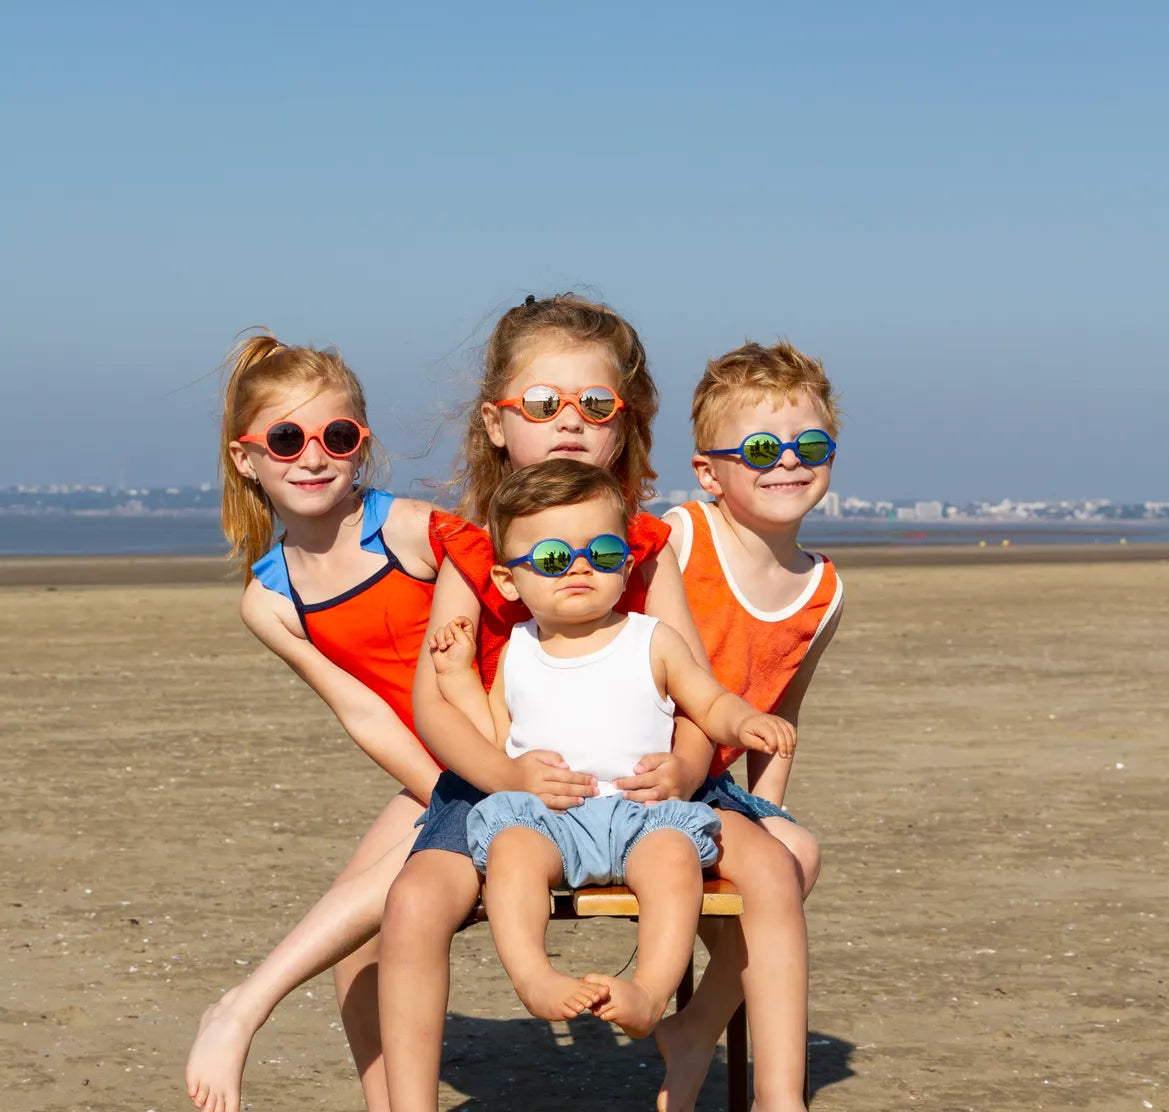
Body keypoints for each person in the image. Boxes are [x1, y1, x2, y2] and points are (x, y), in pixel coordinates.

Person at [376, 292, 724, 1112]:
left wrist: (685, 767)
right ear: (497, 422)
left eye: (594, 404)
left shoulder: (639, 545)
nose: (569, 421)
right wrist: (505, 776)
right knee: (413, 901)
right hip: (502, 773)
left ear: (625, 425)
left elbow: (695, 691)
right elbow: (436, 706)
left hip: (641, 784)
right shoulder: (472, 547)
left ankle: (741, 1064)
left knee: (775, 869)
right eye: (542, 403)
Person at [184, 335, 478, 1112]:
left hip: (503, 756)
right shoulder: (271, 600)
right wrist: (444, 792)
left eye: (336, 436)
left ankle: (245, 1006)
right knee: (357, 953)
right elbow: (364, 712)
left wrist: (477, 789)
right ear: (247, 459)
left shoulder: (412, 533)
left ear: (361, 446)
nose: (313, 457)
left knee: (390, 891)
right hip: (439, 778)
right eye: (287, 439)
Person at [428, 460, 795, 1038]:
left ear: (626, 564)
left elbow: (708, 702)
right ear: (506, 580)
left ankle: (650, 991)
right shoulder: (518, 651)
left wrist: (744, 720)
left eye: (600, 554)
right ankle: (535, 977)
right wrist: (455, 678)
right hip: (547, 816)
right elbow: (496, 734)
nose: (578, 568)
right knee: (512, 856)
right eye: (552, 558)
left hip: (640, 813)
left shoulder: (651, 639)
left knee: (675, 863)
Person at [654, 340, 845, 1112]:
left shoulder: (822, 588)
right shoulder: (681, 538)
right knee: (779, 865)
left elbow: (782, 714)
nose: (788, 463)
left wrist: (771, 808)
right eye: (762, 448)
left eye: (811, 446)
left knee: (794, 849)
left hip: (715, 789)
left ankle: (697, 1031)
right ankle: (763, 1087)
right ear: (710, 472)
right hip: (638, 774)